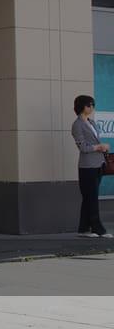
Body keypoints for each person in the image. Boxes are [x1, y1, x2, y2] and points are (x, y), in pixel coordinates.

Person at [70, 95, 112, 239]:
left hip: (98, 164)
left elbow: (94, 142)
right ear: (82, 106)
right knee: (91, 199)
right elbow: (83, 147)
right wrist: (99, 147)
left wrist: (102, 147)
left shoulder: (91, 122)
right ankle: (98, 229)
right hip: (87, 166)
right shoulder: (77, 125)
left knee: (88, 198)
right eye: (89, 105)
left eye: (93, 104)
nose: (92, 107)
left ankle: (83, 229)